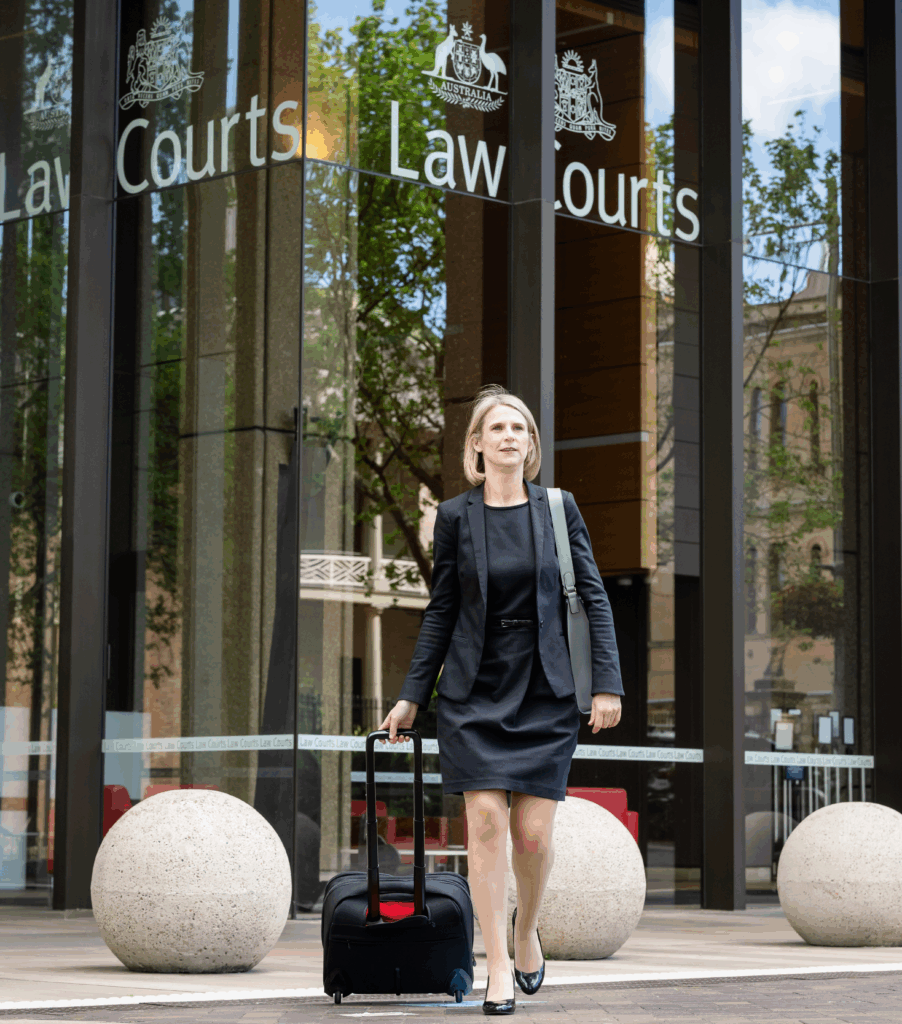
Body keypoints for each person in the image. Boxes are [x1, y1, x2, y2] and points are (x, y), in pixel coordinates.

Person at [378, 384, 623, 1015]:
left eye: (520, 428)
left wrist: (606, 682)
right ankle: (494, 966)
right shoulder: (455, 517)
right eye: (498, 427)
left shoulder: (559, 509)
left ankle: (525, 930)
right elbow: (442, 609)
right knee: (485, 824)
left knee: (533, 836)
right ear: (477, 445)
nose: (510, 435)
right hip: (474, 691)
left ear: (530, 444)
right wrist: (411, 696)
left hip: (545, 689)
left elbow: (593, 598)